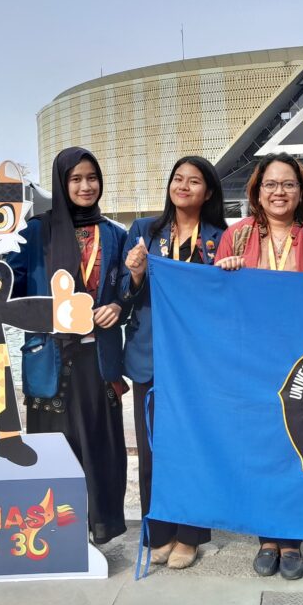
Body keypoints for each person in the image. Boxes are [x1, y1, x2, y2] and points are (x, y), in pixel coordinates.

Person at [214, 152, 303, 581]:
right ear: (257, 191)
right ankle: (266, 538)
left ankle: (292, 540)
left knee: (295, 449)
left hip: (297, 360)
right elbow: (215, 298)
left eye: (288, 184)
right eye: (270, 184)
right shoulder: (236, 237)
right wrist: (224, 271)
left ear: (301, 192)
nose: (278, 192)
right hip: (247, 361)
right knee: (259, 449)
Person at [8, 147, 130, 544]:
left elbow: (128, 290)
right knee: (54, 446)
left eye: (92, 178)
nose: (85, 186)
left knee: (100, 446)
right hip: (50, 358)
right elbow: (5, 281)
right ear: (62, 183)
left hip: (98, 358)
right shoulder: (36, 231)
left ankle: (99, 528)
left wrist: (119, 304)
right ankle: (56, 536)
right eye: (75, 179)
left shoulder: (114, 235)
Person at [120, 156, 227, 569]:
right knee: (152, 450)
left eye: (194, 181)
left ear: (208, 191)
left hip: (199, 361)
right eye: (177, 179)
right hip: (150, 353)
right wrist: (134, 274)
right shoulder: (144, 230)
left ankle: (190, 535)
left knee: (193, 447)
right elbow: (122, 294)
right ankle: (159, 532)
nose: (183, 186)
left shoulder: (222, 238)